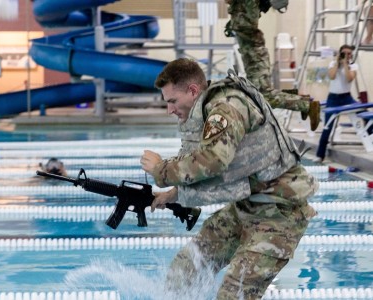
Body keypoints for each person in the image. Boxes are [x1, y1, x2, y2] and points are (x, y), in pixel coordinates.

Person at [140, 58, 318, 299]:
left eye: (172, 101)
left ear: (193, 91)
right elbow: (232, 170)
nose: (170, 110)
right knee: (184, 270)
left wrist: (161, 170)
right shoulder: (209, 107)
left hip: (278, 213)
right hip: (246, 205)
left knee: (233, 295)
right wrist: (174, 194)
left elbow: (214, 160)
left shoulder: (226, 108)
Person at [224, 0, 321, 131]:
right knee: (258, 95)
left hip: (256, 56)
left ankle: (306, 105)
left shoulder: (245, 20)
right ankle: (299, 99)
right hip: (254, 55)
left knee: (262, 96)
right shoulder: (243, 20)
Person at [314, 45, 358, 163]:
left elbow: (349, 78)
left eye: (349, 54)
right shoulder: (333, 64)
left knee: (363, 113)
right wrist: (338, 63)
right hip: (333, 98)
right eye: (345, 53)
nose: (347, 56)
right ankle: (320, 155)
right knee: (327, 126)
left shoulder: (353, 66)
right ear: (340, 54)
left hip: (347, 98)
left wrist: (345, 65)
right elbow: (332, 76)